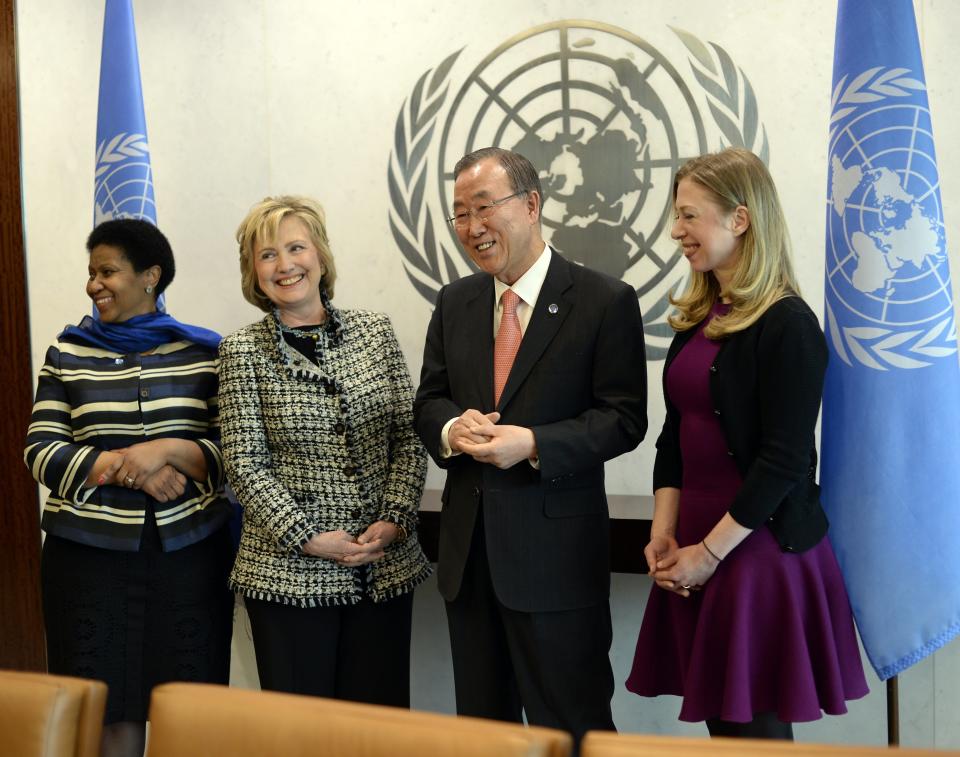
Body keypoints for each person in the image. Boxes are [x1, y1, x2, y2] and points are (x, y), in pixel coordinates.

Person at [626, 147, 868, 739]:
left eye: (689, 215)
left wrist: (709, 554)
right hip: (693, 546)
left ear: (740, 219)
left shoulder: (790, 324)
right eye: (675, 215)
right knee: (725, 733)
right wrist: (664, 533)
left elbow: (784, 460)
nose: (676, 230)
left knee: (753, 736)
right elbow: (675, 436)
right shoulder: (699, 316)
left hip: (757, 551)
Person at [413, 147, 647, 749]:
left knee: (573, 733)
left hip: (558, 567)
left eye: (484, 207)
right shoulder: (455, 301)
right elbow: (429, 401)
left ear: (532, 204)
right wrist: (450, 431)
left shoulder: (604, 301)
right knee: (484, 738)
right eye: (459, 214)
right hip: (471, 566)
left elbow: (624, 420)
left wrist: (536, 443)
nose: (472, 228)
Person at [24, 219, 234, 757]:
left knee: (188, 714)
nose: (94, 284)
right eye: (90, 273)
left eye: (108, 270)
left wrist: (170, 452)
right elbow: (41, 451)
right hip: (88, 562)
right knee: (106, 713)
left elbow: (235, 449)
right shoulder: (66, 355)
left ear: (151, 276)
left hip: (188, 557)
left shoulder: (207, 354)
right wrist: (126, 465)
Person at [219, 195, 430, 707]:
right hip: (288, 579)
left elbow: (409, 434)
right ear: (253, 271)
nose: (285, 264)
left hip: (382, 570)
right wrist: (310, 537)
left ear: (320, 255)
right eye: (268, 255)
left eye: (296, 247)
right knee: (302, 735)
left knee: (377, 733)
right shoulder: (240, 351)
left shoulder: (375, 333)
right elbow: (245, 466)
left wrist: (397, 518)